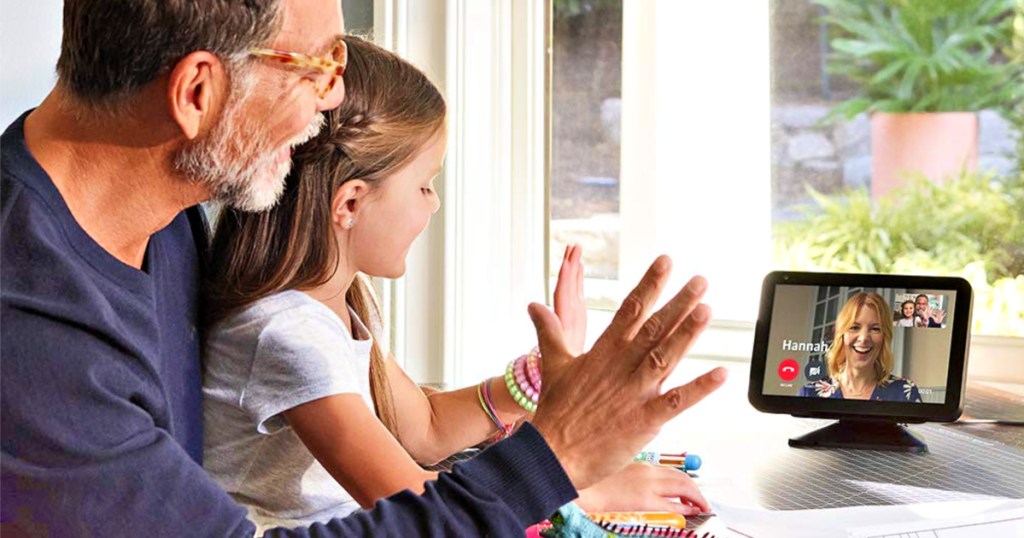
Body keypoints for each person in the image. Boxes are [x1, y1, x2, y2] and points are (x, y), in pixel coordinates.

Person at [0, 0, 727, 536]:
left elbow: (414, 431)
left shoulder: (165, 223)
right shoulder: (34, 338)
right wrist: (561, 458)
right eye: (319, 66)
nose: (338, 96)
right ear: (198, 93)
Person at [200, 35, 710, 534]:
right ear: (350, 202)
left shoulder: (340, 302)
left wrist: (536, 379)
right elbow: (417, 504)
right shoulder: (287, 334)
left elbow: (424, 429)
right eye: (424, 184)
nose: (433, 203)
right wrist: (577, 484)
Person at [797, 293, 922, 403]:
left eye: (875, 329)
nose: (863, 338)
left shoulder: (905, 392)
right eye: (854, 327)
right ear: (842, 335)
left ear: (885, 337)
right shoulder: (808, 394)